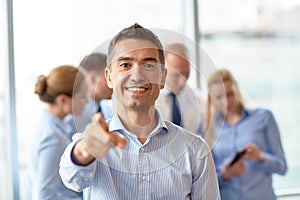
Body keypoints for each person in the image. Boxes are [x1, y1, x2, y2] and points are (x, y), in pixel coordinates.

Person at [59, 23, 220, 199]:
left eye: (149, 66)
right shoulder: (90, 144)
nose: (137, 76)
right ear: (109, 78)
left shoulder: (196, 151)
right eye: (125, 65)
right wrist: (84, 152)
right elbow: (72, 177)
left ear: (162, 77)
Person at [205, 68, 287, 200]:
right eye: (219, 97)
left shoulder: (264, 117)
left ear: (237, 90)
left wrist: (260, 157)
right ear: (211, 99)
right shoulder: (208, 129)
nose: (226, 102)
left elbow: (282, 167)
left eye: (230, 94)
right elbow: (205, 182)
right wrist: (225, 175)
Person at [27, 65, 88, 200]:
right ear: (62, 100)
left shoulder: (44, 123)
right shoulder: (53, 137)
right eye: (83, 96)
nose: (87, 101)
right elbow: (45, 196)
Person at [156, 43, 205, 135]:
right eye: (177, 75)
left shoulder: (198, 99)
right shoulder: (149, 100)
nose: (183, 82)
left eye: (187, 74)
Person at [65, 53, 113, 135]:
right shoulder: (72, 117)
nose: (113, 83)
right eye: (109, 78)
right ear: (93, 78)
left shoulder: (107, 110)